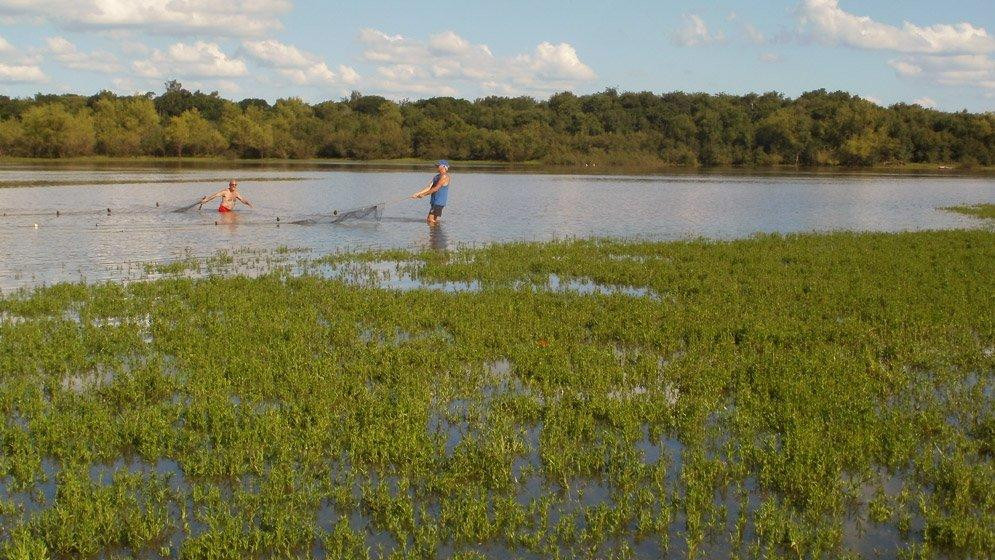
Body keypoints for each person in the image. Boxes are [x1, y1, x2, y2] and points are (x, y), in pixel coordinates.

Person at [411, 160, 451, 225]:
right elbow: (429, 187)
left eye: (438, 165)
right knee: (431, 220)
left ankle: (434, 234)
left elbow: (435, 189)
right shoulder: (436, 176)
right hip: (434, 201)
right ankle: (435, 234)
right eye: (436, 165)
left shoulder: (445, 177)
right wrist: (418, 193)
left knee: (430, 220)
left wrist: (423, 195)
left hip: (439, 202)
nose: (436, 167)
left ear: (444, 167)